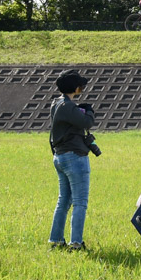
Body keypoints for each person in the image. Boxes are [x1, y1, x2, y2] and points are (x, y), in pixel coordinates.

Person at [48, 69, 97, 251]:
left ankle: (56, 240)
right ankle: (76, 243)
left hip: (60, 156)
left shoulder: (56, 103)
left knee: (64, 200)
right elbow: (86, 123)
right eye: (81, 85)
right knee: (80, 202)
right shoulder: (68, 107)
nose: (82, 87)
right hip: (74, 157)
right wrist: (89, 111)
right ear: (76, 87)